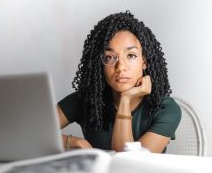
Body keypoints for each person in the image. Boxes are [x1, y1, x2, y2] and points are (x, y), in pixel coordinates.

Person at [57, 11, 181, 153]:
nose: (120, 67)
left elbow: (128, 165)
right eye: (110, 57)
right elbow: (30, 132)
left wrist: (125, 100)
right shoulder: (87, 100)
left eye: (131, 55)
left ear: (144, 62)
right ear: (100, 64)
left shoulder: (165, 109)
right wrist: (74, 142)